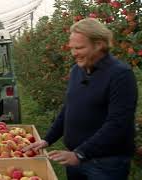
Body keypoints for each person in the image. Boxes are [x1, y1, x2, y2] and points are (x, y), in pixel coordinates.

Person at [23, 18, 137, 180]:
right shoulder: (77, 70)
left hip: (106, 164)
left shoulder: (120, 75)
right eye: (72, 48)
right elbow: (68, 108)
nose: (74, 53)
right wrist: (48, 139)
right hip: (76, 159)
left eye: (80, 48)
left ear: (99, 45)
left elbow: (118, 124)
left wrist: (80, 153)